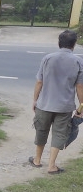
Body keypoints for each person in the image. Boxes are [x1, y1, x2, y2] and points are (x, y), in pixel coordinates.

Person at [29, 29, 83, 174]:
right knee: (60, 134)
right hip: (64, 107)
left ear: (59, 43)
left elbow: (39, 82)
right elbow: (79, 86)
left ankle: (37, 160)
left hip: (44, 103)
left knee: (41, 130)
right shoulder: (78, 61)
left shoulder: (47, 58)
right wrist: (81, 106)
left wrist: (35, 100)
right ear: (74, 44)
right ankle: (52, 166)